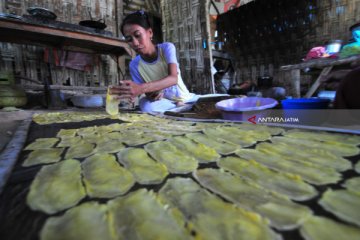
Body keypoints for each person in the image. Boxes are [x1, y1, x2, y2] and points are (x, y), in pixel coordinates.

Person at [109, 11, 198, 113]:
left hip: (186, 99)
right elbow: (146, 93)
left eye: (138, 35)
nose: (135, 43)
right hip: (165, 103)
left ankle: (183, 106)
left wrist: (141, 88)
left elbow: (173, 78)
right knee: (145, 104)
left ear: (150, 33)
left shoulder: (166, 48)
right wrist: (151, 94)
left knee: (218, 100)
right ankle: (179, 107)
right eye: (129, 39)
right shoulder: (134, 65)